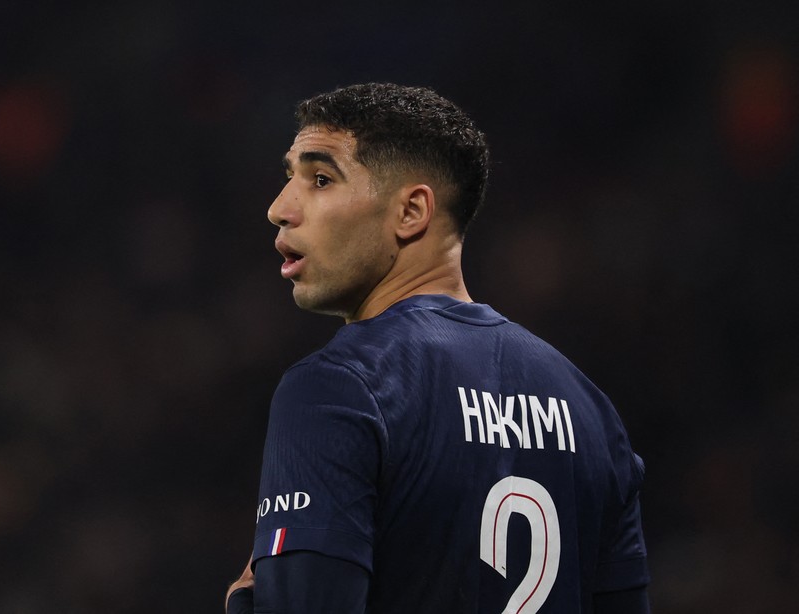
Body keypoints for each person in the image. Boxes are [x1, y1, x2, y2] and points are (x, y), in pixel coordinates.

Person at [226, 83, 650, 613]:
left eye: (319, 179)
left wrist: (246, 601)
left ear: (411, 212)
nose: (279, 208)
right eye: (288, 177)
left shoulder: (339, 386)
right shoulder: (593, 415)